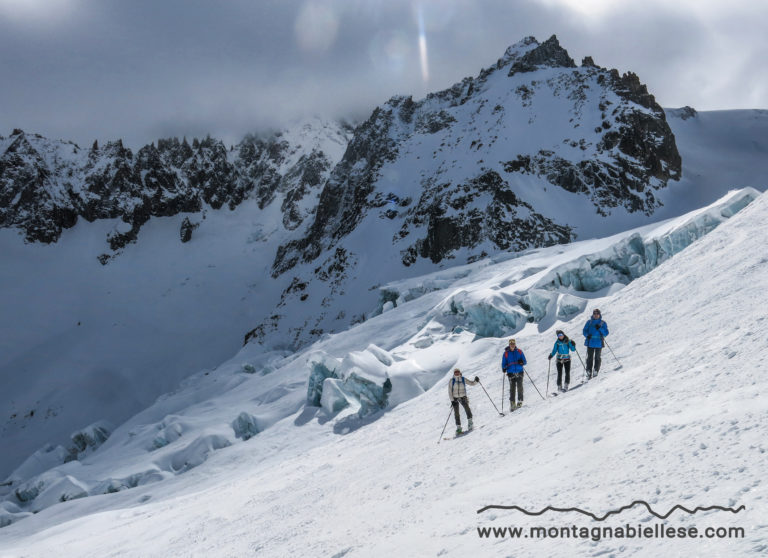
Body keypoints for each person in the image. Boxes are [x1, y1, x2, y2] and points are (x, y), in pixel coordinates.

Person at [448, 368, 479, 434]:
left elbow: (471, 383)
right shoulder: (451, 381)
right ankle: (459, 428)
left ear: (460, 372)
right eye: (455, 372)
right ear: (454, 373)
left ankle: (470, 424)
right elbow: (450, 391)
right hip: (455, 398)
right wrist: (452, 401)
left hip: (463, 397)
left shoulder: (463, 379)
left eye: (458, 372)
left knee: (467, 409)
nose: (457, 373)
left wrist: (476, 381)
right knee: (456, 413)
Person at [582, 308, 609, 379]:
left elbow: (606, 333)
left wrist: (600, 328)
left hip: (598, 342)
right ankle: (589, 371)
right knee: (589, 358)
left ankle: (596, 370)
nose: (596, 315)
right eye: (594, 313)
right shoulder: (589, 322)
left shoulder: (602, 323)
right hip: (590, 342)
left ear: (599, 314)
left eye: (597, 313)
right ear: (593, 314)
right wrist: (587, 335)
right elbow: (584, 330)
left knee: (597, 357)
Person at [501, 339, 527, 410]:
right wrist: (504, 368)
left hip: (520, 372)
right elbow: (503, 363)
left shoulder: (519, 351)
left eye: (513, 344)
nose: (512, 345)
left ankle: (520, 401)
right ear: (509, 345)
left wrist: (522, 362)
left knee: (520, 387)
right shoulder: (506, 353)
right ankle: (512, 404)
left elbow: (525, 361)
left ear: (515, 344)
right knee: (512, 389)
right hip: (510, 374)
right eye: (511, 344)